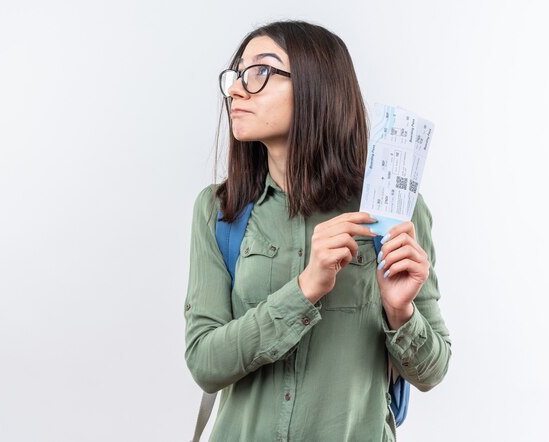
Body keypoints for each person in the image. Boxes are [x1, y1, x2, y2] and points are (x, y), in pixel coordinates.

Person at [183, 20, 451, 442]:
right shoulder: (220, 211)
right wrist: (305, 288)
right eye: (237, 74)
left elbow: (433, 371)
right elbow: (204, 361)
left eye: (260, 72)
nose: (236, 89)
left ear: (317, 87)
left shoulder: (394, 211)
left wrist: (402, 312)